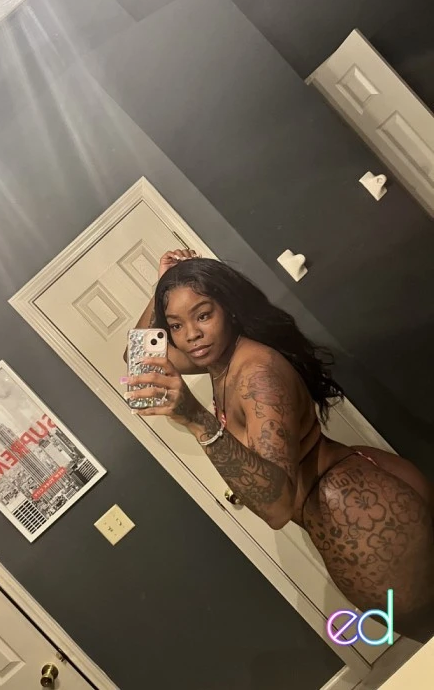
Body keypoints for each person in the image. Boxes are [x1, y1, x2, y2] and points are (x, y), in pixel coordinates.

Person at [122, 249, 434, 643]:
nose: (190, 335)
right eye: (176, 325)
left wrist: (197, 418)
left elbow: (277, 507)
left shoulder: (257, 374)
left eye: (203, 315)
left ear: (229, 309)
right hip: (352, 493)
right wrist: (163, 285)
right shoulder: (219, 359)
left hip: (354, 507)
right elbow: (139, 362)